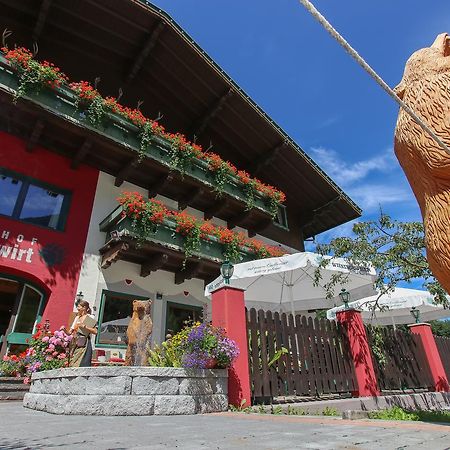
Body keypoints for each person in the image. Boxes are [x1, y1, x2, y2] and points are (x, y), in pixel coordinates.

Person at [68, 300, 97, 367]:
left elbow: (95, 331)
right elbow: (70, 332)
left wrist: (84, 326)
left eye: (78, 306)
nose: (77, 308)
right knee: (72, 362)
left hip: (84, 342)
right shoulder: (77, 318)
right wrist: (64, 330)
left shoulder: (90, 317)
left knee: (82, 363)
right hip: (75, 342)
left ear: (84, 308)